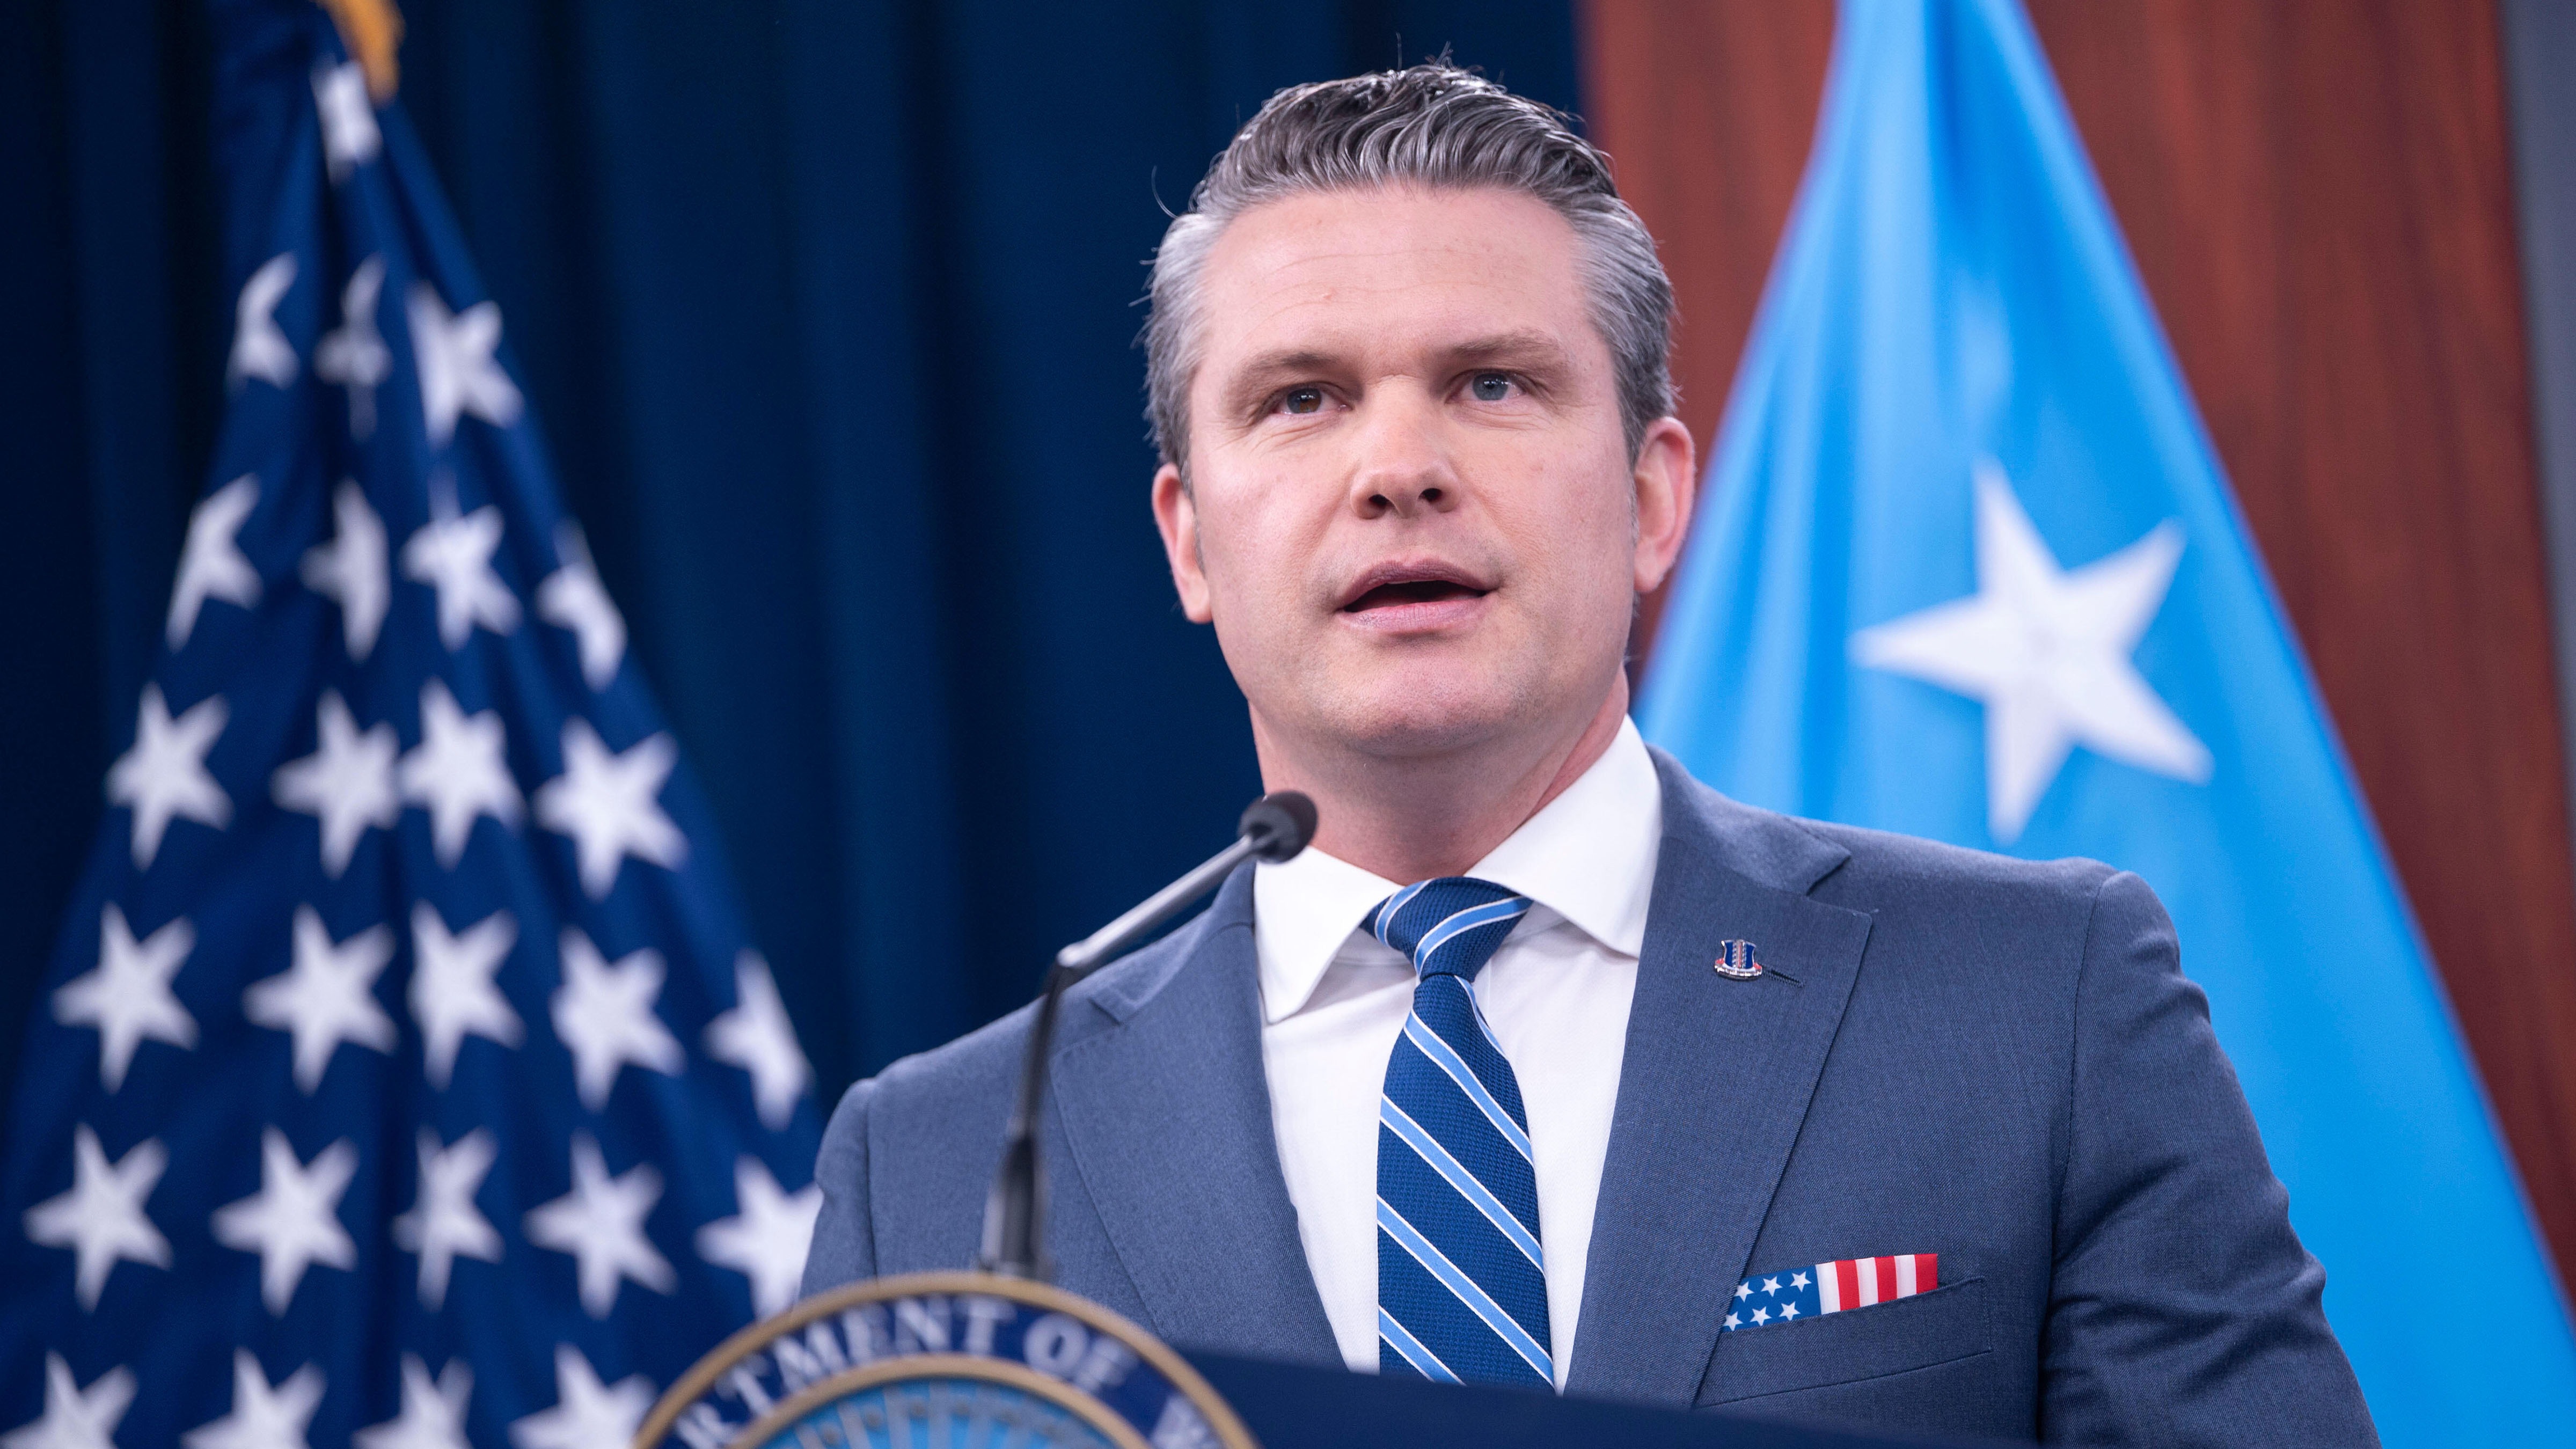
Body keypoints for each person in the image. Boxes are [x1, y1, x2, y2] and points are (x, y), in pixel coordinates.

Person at [802, 63, 2376, 1445]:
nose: (1399, 468)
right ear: (1190, 539)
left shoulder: (2038, 1001)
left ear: (1650, 497)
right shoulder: (936, 1160)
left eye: (1492, 383)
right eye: (1301, 399)